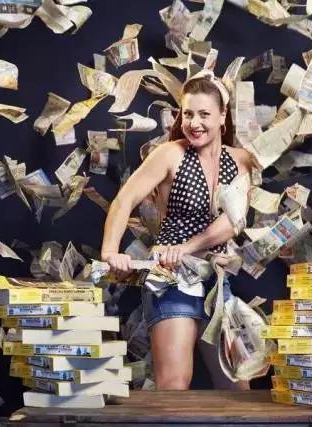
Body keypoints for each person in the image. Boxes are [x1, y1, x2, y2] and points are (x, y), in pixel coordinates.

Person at [100, 70, 253, 390]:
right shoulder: (170, 153)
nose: (194, 123)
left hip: (217, 282)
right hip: (172, 279)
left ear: (222, 116)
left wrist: (186, 247)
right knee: (174, 385)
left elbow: (233, 221)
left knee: (239, 390)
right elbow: (124, 200)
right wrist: (110, 252)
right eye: (188, 114)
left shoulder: (240, 161)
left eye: (204, 114)